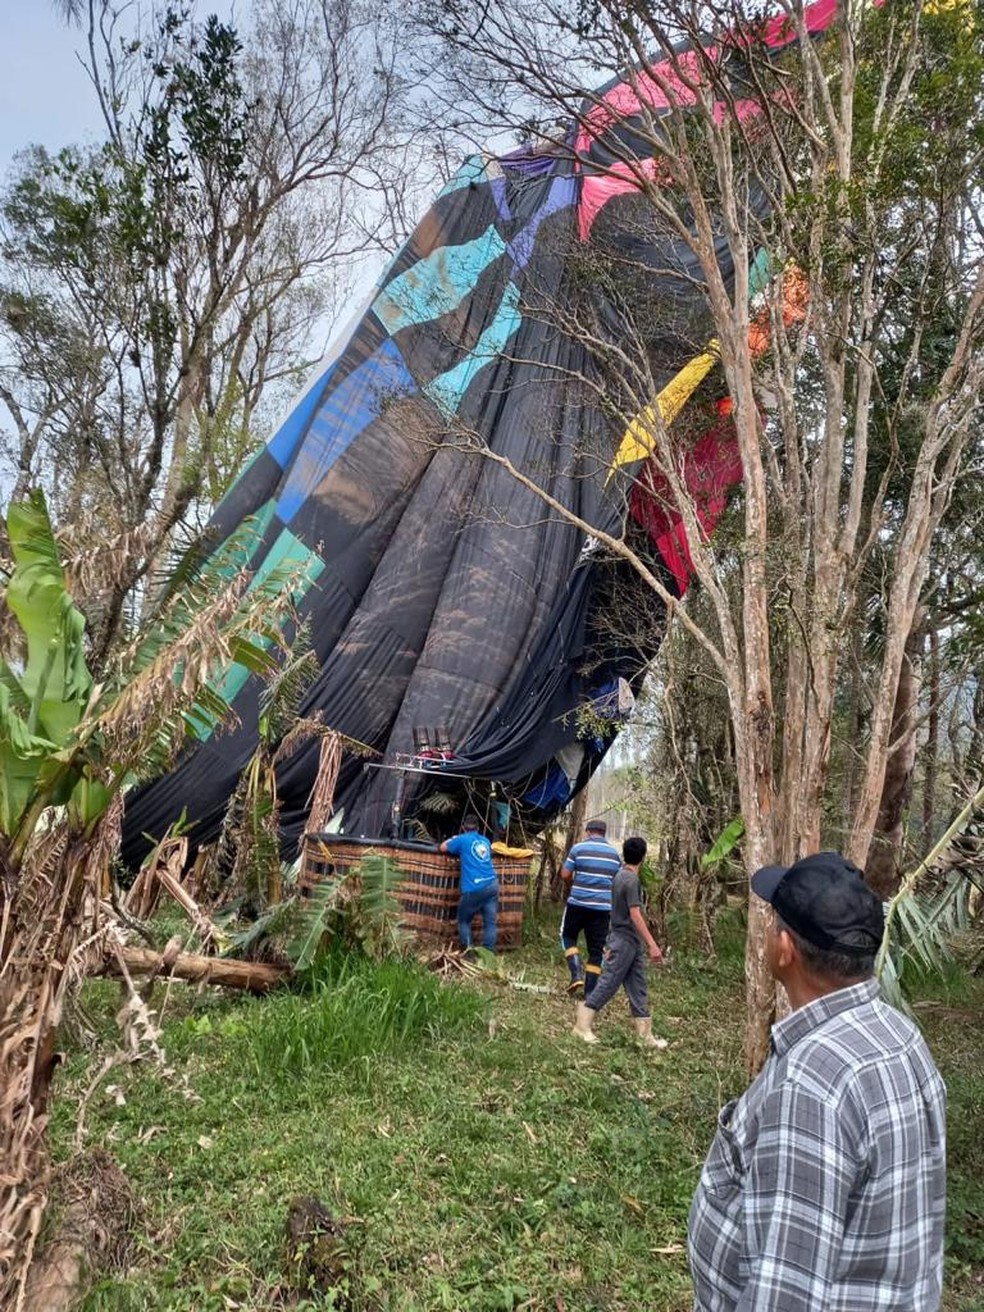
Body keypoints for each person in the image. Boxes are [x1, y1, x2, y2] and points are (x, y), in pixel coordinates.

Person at [688, 851, 946, 1312]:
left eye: (772, 924)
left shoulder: (814, 1081)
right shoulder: (900, 1034)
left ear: (784, 950)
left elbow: (786, 1291)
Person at [572, 835, 666, 1048]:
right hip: (624, 941)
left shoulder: (619, 876)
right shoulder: (631, 880)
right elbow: (635, 914)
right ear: (643, 857)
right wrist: (652, 944)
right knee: (609, 982)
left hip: (630, 942)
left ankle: (645, 1036)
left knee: (638, 985)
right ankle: (581, 1025)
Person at [560, 817, 622, 996]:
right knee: (597, 950)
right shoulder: (614, 854)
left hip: (578, 904)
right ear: (604, 833)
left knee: (568, 936)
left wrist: (575, 882)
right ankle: (589, 993)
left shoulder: (579, 848)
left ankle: (576, 973)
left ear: (588, 832)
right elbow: (618, 881)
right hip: (602, 909)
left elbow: (565, 874)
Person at [439, 815, 499, 951]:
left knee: (464, 921)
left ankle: (468, 952)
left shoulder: (461, 840)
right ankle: (489, 954)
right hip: (492, 884)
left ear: (463, 828)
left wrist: (453, 838)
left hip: (474, 886)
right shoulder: (485, 841)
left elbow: (442, 848)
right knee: (490, 923)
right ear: (478, 828)